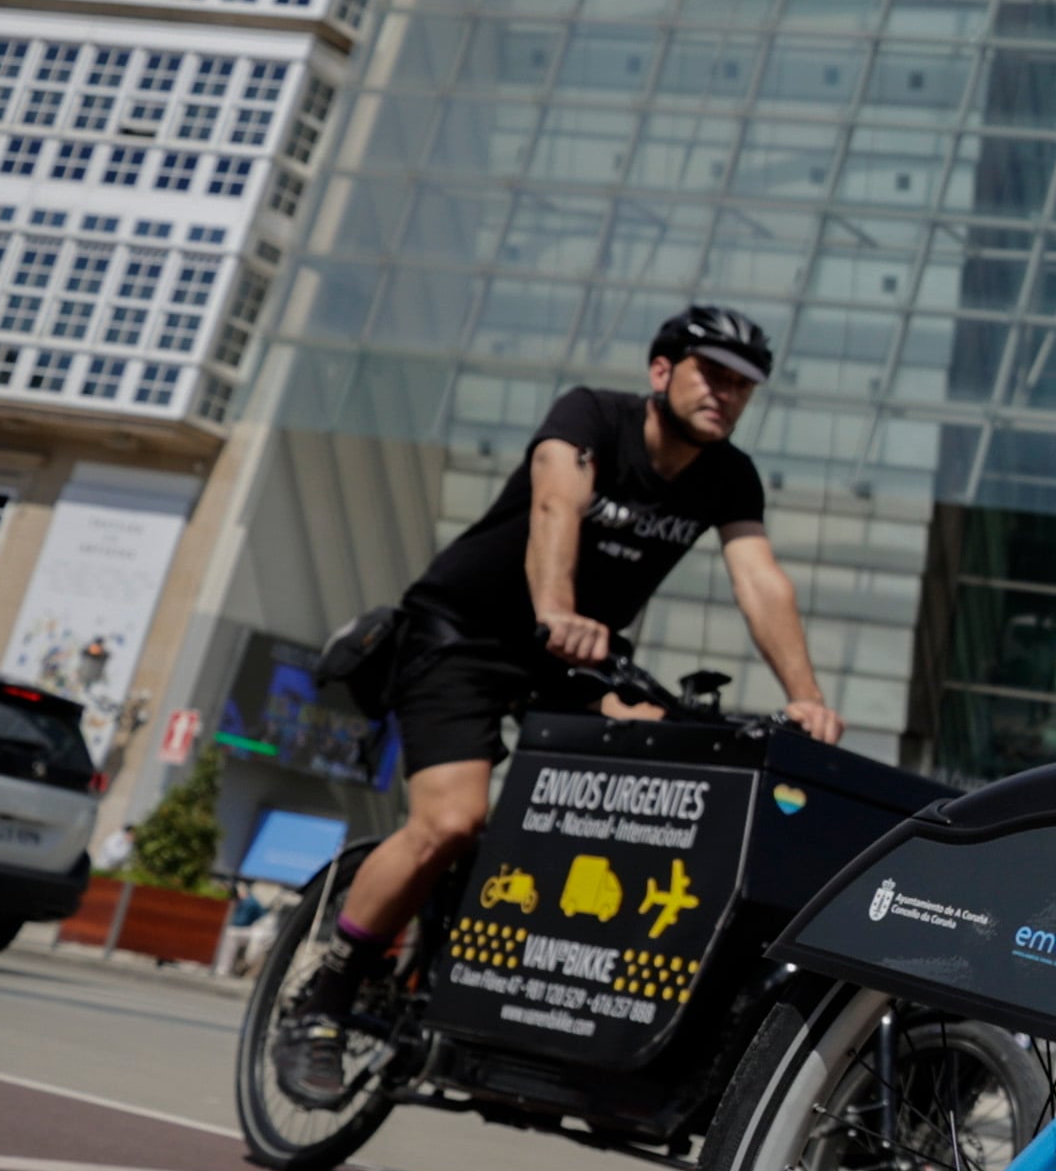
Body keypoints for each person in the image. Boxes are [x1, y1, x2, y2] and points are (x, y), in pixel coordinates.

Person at [276, 306, 842, 1099]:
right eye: (711, 373)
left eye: (743, 384)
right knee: (450, 820)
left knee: (661, 757)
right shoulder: (591, 417)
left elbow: (758, 577)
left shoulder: (729, 475)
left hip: (581, 652)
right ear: (661, 372)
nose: (726, 393)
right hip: (464, 634)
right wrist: (554, 608)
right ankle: (326, 991)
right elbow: (555, 504)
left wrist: (806, 697)